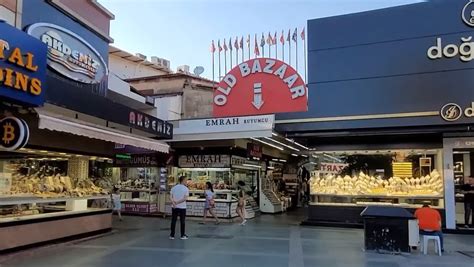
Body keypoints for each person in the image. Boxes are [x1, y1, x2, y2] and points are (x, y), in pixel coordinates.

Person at [170, 176, 189, 240]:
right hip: (182, 207)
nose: (187, 181)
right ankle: (182, 235)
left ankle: (172, 235)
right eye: (186, 180)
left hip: (174, 207)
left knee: (173, 221)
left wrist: (174, 203)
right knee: (182, 221)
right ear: (183, 180)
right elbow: (185, 198)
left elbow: (171, 197)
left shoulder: (174, 188)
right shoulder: (186, 189)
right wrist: (177, 202)